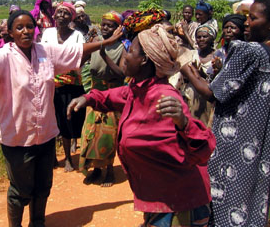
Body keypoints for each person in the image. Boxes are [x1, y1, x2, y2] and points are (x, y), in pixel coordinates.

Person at [0, 10, 123, 227]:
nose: (25, 31)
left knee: (43, 186)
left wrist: (106, 42)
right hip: (17, 138)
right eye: (19, 27)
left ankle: (38, 222)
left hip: (44, 134)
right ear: (11, 32)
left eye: (29, 26)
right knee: (20, 190)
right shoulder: (4, 56)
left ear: (36, 29)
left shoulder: (46, 51)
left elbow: (77, 50)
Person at [67, 24, 216, 227]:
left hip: (179, 202)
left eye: (130, 51)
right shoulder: (139, 89)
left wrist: (184, 122)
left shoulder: (164, 97)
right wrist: (88, 98)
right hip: (159, 197)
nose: (125, 56)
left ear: (144, 60)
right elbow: (115, 95)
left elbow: (203, 150)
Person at [179, 0, 270, 226]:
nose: (247, 24)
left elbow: (214, 93)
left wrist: (184, 68)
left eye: (253, 19)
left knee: (225, 202)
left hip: (236, 143)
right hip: (263, 142)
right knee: (253, 200)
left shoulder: (250, 51)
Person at [79, 11, 126, 187]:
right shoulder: (95, 44)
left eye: (110, 25)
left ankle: (110, 171)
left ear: (118, 29)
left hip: (111, 94)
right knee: (90, 132)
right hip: (94, 92)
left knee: (108, 135)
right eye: (103, 24)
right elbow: (82, 61)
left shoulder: (122, 48)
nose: (105, 28)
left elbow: (122, 73)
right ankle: (95, 169)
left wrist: (105, 54)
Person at [41, 2, 86, 172]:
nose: (61, 16)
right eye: (59, 12)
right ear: (54, 15)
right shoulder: (48, 33)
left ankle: (68, 158)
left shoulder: (77, 36)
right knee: (50, 119)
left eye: (66, 13)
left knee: (67, 120)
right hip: (49, 83)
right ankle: (52, 157)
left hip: (70, 84)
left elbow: (80, 58)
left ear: (72, 18)